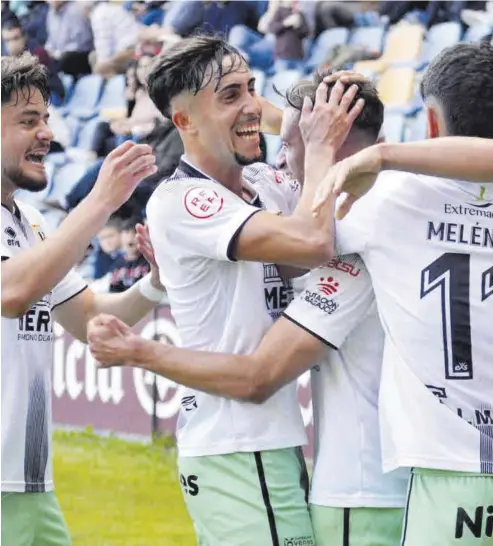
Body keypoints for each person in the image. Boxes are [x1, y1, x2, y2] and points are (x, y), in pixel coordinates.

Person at [87, 64, 493, 546]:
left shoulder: (361, 235)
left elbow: (258, 376)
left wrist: (139, 351)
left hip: (367, 489)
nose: (278, 166)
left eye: (293, 144)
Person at [316, 42, 493, 545]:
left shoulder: (389, 199)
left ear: (430, 122)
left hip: (450, 476)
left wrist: (326, 152)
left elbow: (298, 248)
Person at [132, 34, 364, 546]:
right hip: (235, 442)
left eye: (251, 89)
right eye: (229, 95)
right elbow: (311, 241)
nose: (251, 106)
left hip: (268, 439)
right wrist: (322, 144)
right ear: (185, 121)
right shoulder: (182, 200)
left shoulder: (262, 179)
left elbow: (332, 220)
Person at [0, 53, 166, 546]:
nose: (47, 133)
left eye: (46, 119)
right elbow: (12, 293)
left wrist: (157, 283)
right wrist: (100, 200)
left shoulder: (31, 222)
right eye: (28, 121)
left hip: (31, 486)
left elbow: (91, 318)